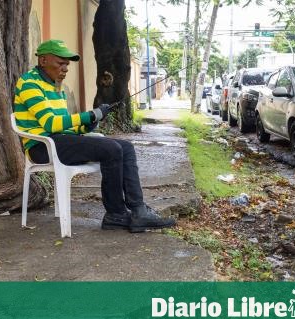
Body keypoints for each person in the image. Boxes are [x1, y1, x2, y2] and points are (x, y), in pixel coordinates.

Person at [13, 39, 176, 232]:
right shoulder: (29, 83)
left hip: (59, 141)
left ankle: (138, 210)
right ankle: (116, 214)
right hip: (41, 147)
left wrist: (88, 125)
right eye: (60, 63)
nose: (65, 68)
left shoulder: (56, 88)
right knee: (111, 149)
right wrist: (89, 114)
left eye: (67, 64)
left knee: (127, 148)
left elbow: (65, 128)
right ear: (43, 61)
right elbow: (51, 124)